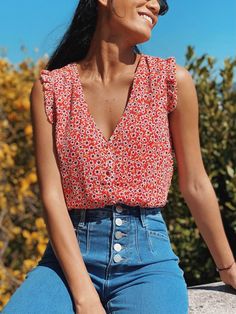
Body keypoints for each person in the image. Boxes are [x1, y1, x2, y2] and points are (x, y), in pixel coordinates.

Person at [2, 0, 236, 313]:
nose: (155, 5)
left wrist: (228, 266)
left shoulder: (171, 81)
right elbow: (52, 195)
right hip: (66, 261)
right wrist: (84, 294)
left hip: (148, 264)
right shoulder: (51, 89)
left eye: (160, 3)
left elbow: (195, 183)